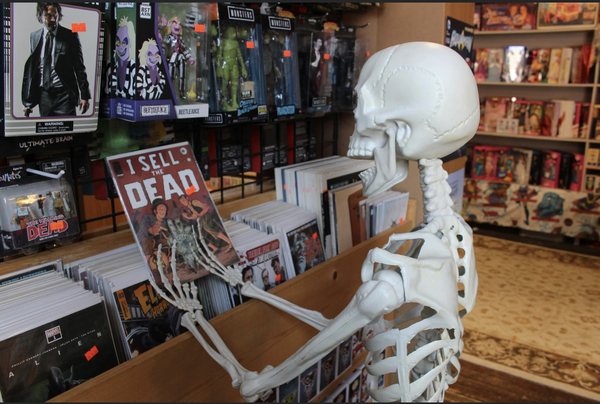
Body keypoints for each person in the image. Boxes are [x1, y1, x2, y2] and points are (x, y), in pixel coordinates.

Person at [22, 3, 91, 117]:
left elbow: (79, 67)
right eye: (48, 15)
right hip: (44, 96)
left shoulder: (70, 35)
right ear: (40, 15)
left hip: (65, 95)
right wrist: (27, 102)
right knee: (46, 128)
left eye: (55, 15)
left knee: (66, 127)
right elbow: (31, 71)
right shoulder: (34, 36)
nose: (53, 19)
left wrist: (85, 96)